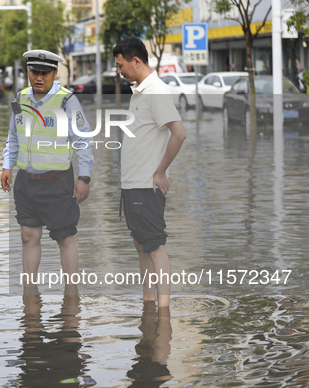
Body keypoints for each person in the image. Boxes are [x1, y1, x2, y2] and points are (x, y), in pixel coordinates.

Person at [0, 49, 94, 293]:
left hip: (58, 183)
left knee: (65, 238)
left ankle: (71, 297)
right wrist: (6, 166)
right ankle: (30, 299)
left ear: (55, 73)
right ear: (27, 72)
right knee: (28, 238)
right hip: (26, 183)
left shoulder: (66, 100)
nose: (38, 78)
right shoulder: (20, 98)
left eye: (44, 73)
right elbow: (13, 137)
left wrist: (84, 178)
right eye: (34, 72)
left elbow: (83, 140)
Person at [113, 37, 186, 307]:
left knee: (154, 247)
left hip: (147, 184)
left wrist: (161, 172)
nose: (118, 71)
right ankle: (148, 303)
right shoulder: (140, 91)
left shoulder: (156, 91)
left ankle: (164, 311)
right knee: (141, 245)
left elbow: (179, 134)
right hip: (133, 184)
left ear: (136, 61)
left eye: (120, 65)